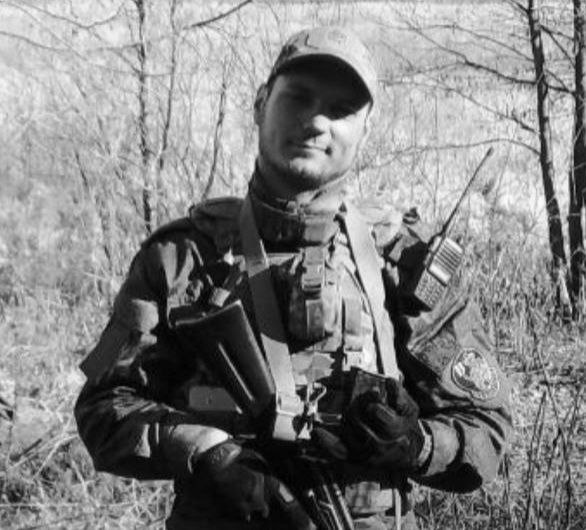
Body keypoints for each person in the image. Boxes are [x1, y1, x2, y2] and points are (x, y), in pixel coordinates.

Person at [75, 26, 512, 530]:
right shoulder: (181, 257)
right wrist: (204, 449)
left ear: (365, 130)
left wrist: (417, 444)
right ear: (261, 104)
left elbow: (486, 428)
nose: (317, 121)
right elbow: (101, 405)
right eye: (299, 98)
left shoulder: (404, 262)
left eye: (341, 110)